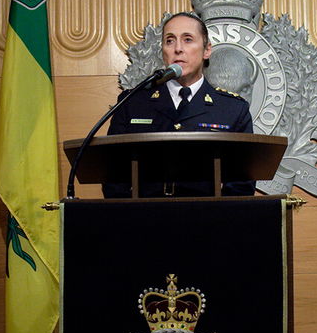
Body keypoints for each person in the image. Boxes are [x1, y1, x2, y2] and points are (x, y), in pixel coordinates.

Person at [103, 12, 254, 197]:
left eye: (188, 39)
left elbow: (241, 186)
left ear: (207, 50)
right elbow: (113, 177)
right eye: (169, 41)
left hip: (208, 219)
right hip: (144, 218)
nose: (178, 49)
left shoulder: (232, 109)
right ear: (163, 51)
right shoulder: (132, 103)